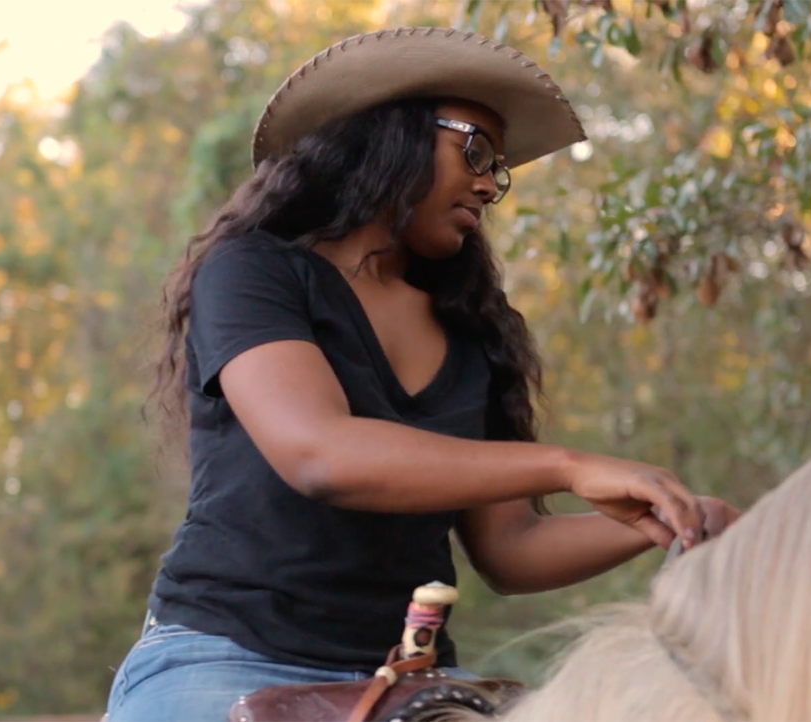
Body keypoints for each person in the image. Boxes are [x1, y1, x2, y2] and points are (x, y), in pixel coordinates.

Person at [104, 26, 741, 722]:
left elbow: (510, 548)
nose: (487, 184)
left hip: (414, 679)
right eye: (474, 149)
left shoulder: (473, 334)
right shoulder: (254, 273)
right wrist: (567, 465)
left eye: (498, 168)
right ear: (390, 134)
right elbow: (320, 453)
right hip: (224, 659)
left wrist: (667, 520)